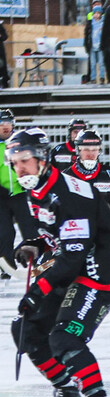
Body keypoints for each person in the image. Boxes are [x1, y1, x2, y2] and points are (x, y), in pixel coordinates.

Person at [6, 127, 110, 397]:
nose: (20, 168)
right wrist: (36, 243)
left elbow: (72, 257)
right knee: (26, 329)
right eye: (14, 161)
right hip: (73, 269)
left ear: (43, 158)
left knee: (65, 337)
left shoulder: (70, 193)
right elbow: (54, 233)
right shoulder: (38, 189)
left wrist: (37, 292)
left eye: (25, 159)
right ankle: (68, 394)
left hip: (98, 273)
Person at [65, 130, 110, 327]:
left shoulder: (108, 173)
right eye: (86, 149)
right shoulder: (66, 176)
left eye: (94, 149)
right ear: (78, 150)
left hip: (105, 232)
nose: (91, 153)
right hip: (78, 233)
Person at [0, 110, 37, 276]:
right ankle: (7, 267)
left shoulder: (20, 142)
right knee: (5, 232)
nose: (5, 127)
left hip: (21, 193)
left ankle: (38, 263)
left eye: (8, 123)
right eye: (1, 124)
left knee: (30, 230)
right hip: (1, 197)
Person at [84, 0, 105, 84]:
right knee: (92, 63)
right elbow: (86, 35)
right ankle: (93, 78)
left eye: (98, 13)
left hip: (101, 46)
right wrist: (86, 45)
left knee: (101, 63)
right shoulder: (90, 23)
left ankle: (102, 77)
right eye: (95, 13)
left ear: (101, 14)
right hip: (92, 46)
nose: (96, 15)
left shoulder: (103, 23)